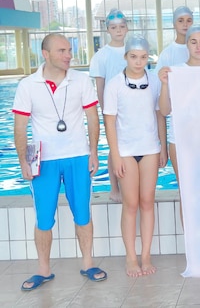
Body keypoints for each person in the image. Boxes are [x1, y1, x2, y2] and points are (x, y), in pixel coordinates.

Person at [13, 34, 107, 290]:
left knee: (83, 212)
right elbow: (20, 127)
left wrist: (94, 152)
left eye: (69, 50)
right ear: (46, 54)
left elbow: (92, 117)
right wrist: (24, 161)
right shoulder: (28, 85)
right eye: (62, 50)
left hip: (77, 155)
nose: (69, 55)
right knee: (43, 217)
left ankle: (88, 263)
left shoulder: (81, 80)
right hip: (42, 157)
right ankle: (43, 269)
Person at [103, 35, 167, 277]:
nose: (138, 62)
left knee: (147, 202)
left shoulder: (155, 80)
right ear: (125, 57)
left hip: (149, 149)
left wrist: (161, 145)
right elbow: (109, 123)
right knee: (130, 204)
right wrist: (116, 156)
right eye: (133, 57)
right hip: (126, 152)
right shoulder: (115, 85)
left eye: (142, 57)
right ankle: (131, 257)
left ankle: (146, 255)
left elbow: (160, 114)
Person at [158, 25, 200, 227]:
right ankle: (192, 246)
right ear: (187, 45)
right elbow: (165, 110)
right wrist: (165, 84)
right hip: (181, 141)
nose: (198, 47)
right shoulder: (176, 73)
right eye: (193, 42)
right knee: (188, 192)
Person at [89, 8, 129, 203]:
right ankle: (114, 189)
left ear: (127, 28)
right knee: (115, 148)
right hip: (112, 110)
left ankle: (127, 186)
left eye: (122, 27)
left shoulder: (133, 50)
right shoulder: (101, 56)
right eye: (114, 27)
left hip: (133, 108)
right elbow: (100, 87)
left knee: (129, 147)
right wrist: (106, 113)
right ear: (107, 30)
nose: (118, 31)